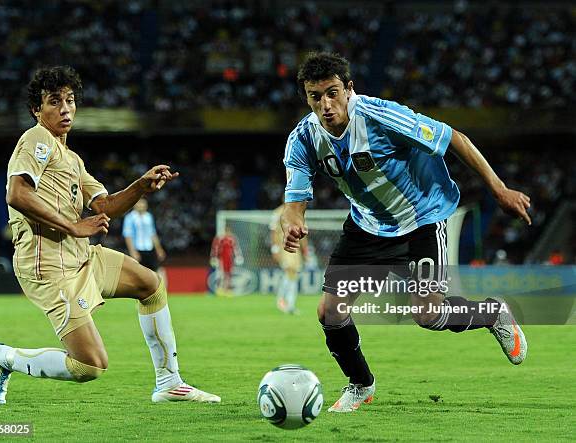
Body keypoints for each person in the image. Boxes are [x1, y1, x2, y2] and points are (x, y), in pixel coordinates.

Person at [280, 53, 531, 413]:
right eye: (315, 96)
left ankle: (492, 313)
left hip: (421, 221)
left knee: (427, 315)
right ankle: (361, 385)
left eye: (332, 92)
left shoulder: (381, 116)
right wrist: (292, 221)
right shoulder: (303, 138)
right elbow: (295, 198)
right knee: (329, 312)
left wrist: (499, 189)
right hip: (368, 227)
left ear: (349, 89)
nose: (325, 104)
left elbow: (453, 138)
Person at [0, 66, 219, 405]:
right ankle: (3, 357)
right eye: (55, 102)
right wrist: (73, 226)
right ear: (37, 109)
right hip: (50, 266)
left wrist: (140, 186)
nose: (66, 109)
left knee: (150, 285)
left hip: (80, 256)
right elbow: (17, 194)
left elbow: (105, 205)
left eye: (71, 100)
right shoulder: (36, 139)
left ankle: (169, 383)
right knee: (89, 366)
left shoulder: (72, 160)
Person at [270, 204, 308, 314]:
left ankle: (287, 302)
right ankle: (285, 302)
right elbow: (273, 231)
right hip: (284, 246)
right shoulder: (277, 212)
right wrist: (275, 249)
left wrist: (305, 250)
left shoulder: (299, 213)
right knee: (290, 271)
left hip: (295, 247)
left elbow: (303, 233)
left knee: (293, 273)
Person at [122, 198, 166, 273]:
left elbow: (152, 233)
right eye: (139, 203)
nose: (141, 206)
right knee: (139, 273)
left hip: (149, 249)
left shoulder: (148, 216)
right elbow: (128, 235)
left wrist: (158, 249)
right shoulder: (130, 218)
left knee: (155, 272)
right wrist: (132, 251)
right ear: (134, 205)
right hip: (138, 249)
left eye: (143, 203)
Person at [209, 226, 243, 294]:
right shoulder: (220, 238)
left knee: (229, 274)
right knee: (221, 274)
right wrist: (213, 257)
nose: (228, 233)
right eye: (226, 231)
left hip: (230, 259)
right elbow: (214, 248)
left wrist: (238, 256)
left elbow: (236, 249)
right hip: (221, 259)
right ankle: (220, 289)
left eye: (228, 231)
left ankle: (228, 289)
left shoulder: (232, 239)